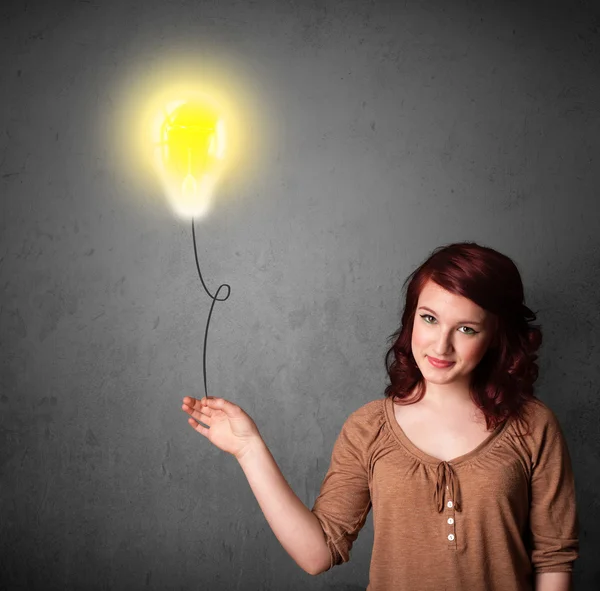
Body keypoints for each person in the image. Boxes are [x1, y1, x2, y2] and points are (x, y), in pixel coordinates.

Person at [181, 241, 579, 591]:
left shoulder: (533, 425)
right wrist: (249, 450)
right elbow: (318, 553)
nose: (441, 344)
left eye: (467, 329)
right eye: (429, 318)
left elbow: (554, 559)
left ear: (495, 335)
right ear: (411, 319)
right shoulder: (368, 427)